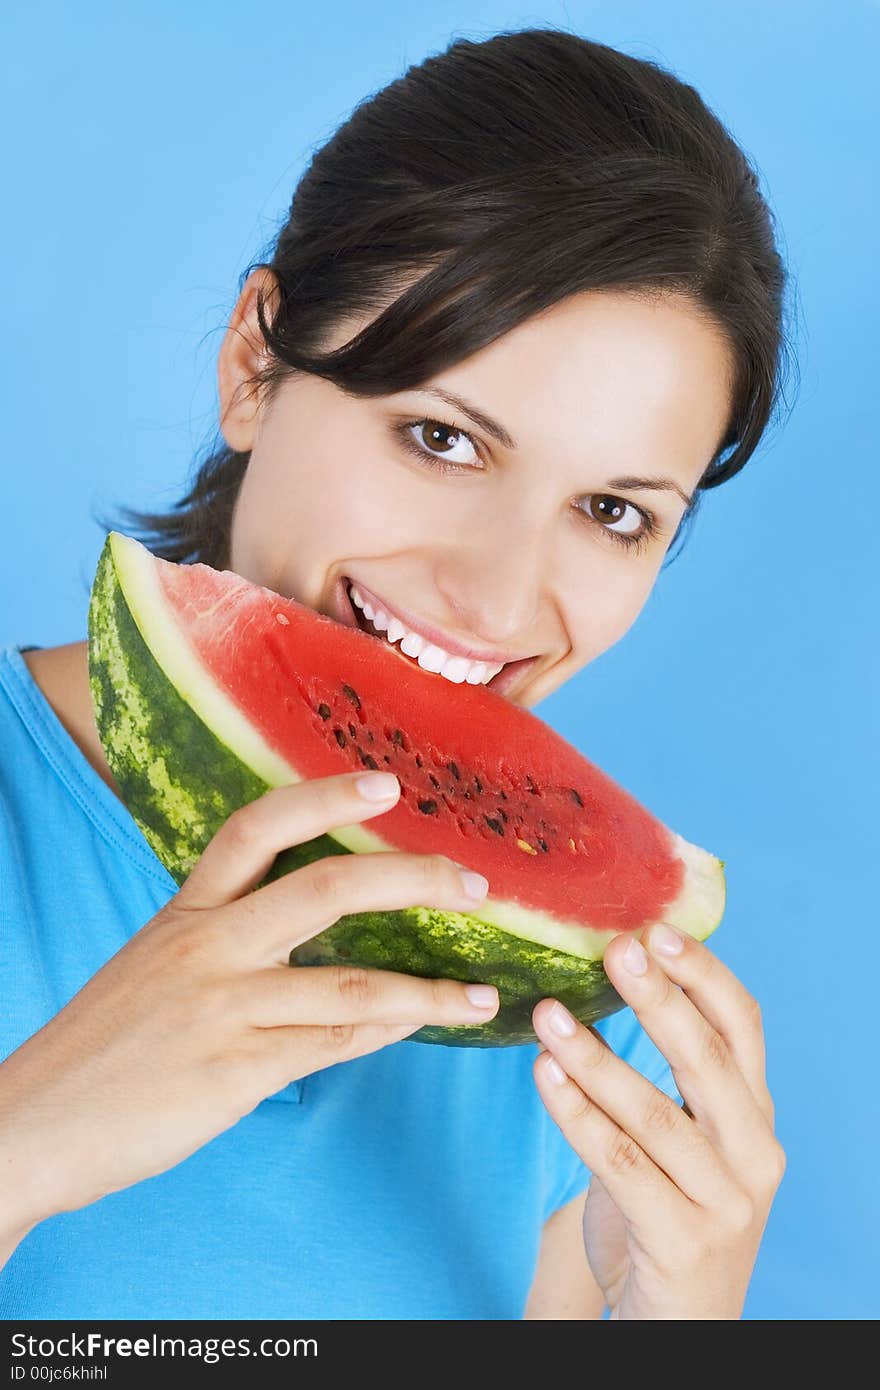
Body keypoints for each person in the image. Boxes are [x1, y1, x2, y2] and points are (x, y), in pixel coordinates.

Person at [0, 27, 794, 1320]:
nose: (495, 596)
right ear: (257, 362)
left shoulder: (589, 1026)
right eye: (441, 436)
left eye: (612, 512)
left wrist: (679, 1317)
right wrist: (24, 1140)